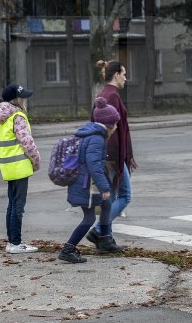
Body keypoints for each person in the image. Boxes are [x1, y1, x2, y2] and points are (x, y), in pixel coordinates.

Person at [58, 97, 124, 263]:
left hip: (84, 183)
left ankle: (104, 239)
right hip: (86, 186)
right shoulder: (96, 138)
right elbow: (94, 165)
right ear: (108, 124)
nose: (116, 127)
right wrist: (105, 188)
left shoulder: (92, 134)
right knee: (89, 218)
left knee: (107, 205)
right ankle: (68, 249)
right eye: (115, 123)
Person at [86, 60, 136, 247]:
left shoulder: (105, 94)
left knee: (112, 198)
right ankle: (100, 230)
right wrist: (113, 158)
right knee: (125, 196)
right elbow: (110, 130)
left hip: (108, 155)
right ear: (116, 75)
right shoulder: (112, 96)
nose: (125, 78)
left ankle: (106, 240)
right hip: (112, 156)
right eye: (124, 74)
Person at [0, 84, 41, 254]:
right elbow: (27, 143)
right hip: (20, 166)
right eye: (24, 97)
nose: (26, 100)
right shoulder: (18, 117)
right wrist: (36, 161)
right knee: (18, 206)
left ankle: (11, 241)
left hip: (8, 167)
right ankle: (15, 243)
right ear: (18, 100)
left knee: (12, 204)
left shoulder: (1, 118)